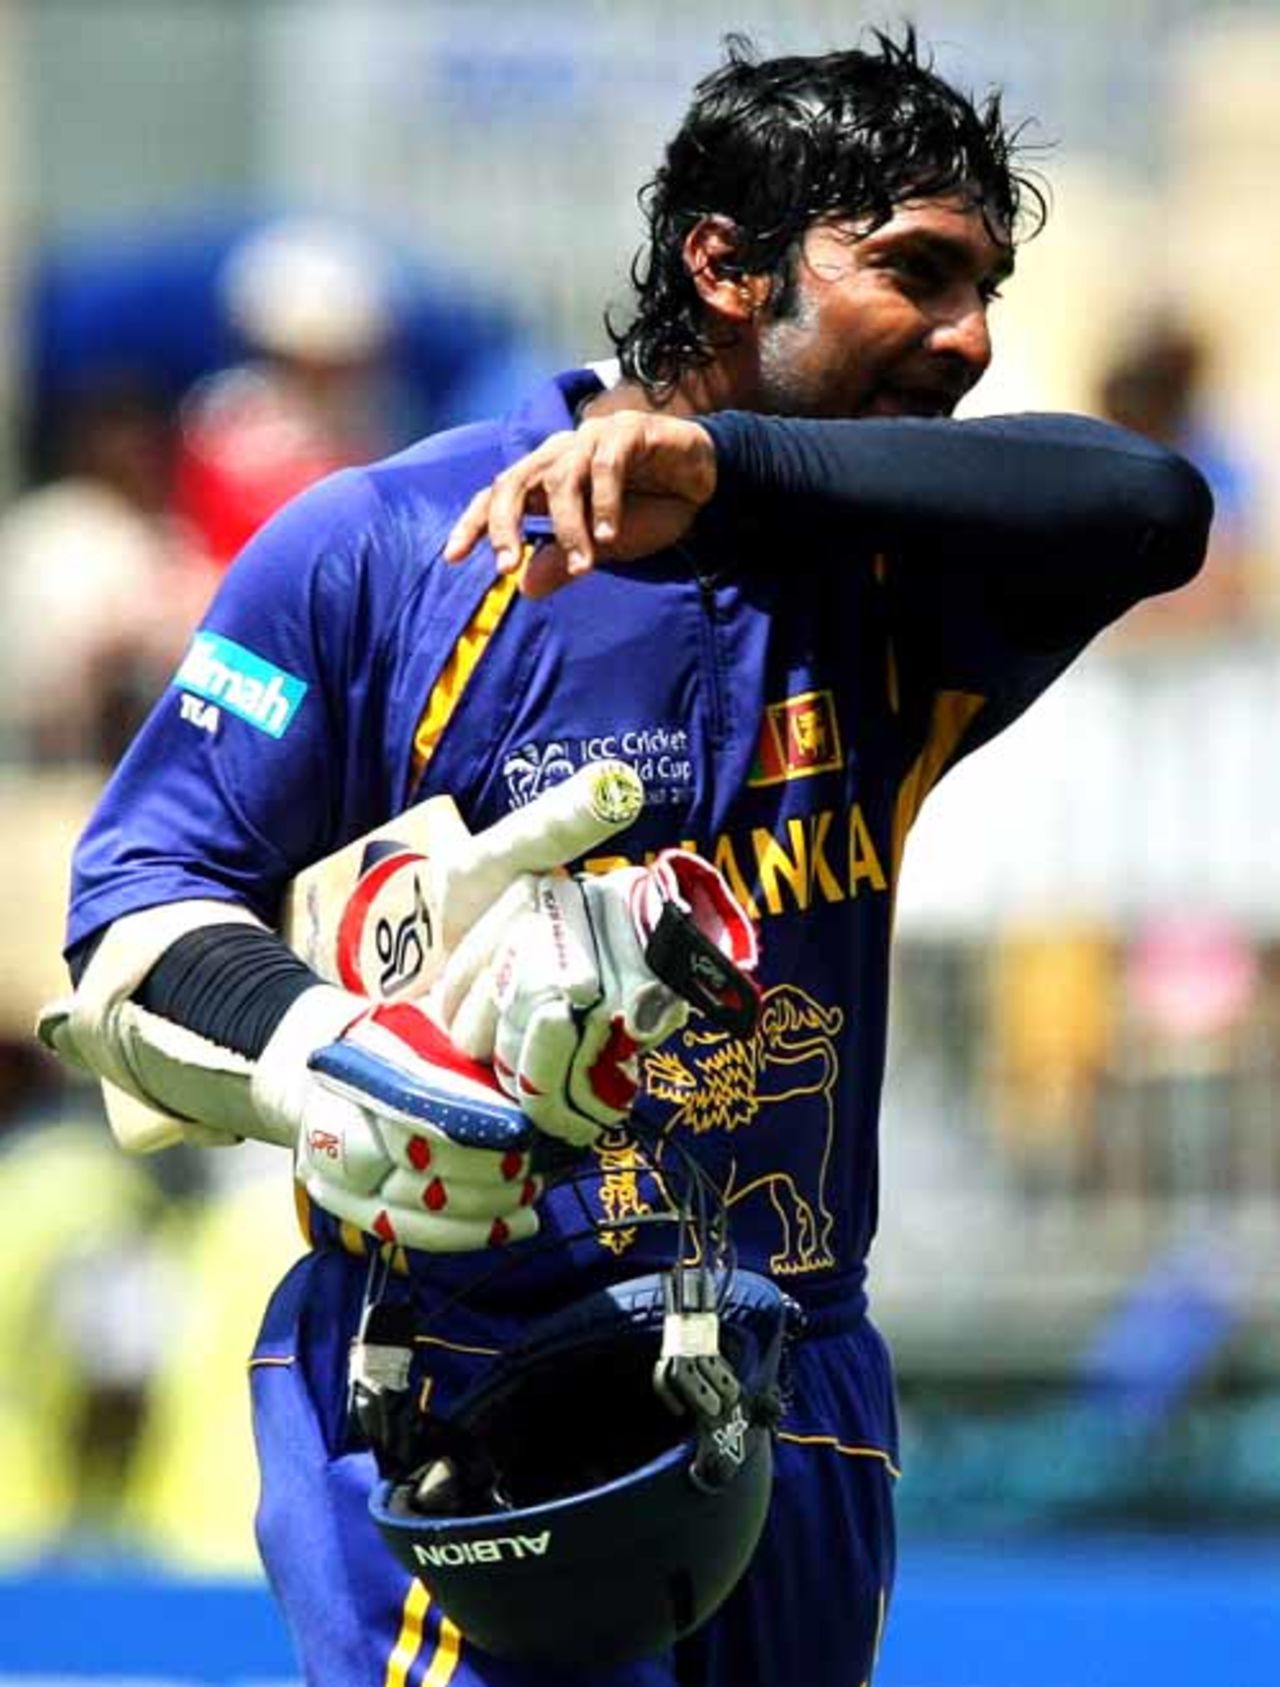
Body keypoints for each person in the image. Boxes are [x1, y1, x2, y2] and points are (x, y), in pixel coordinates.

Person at [42, 29, 1211, 1687]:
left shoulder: (897, 562)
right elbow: (135, 906)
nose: (969, 335)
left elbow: (1151, 501)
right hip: (464, 1377)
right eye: (913, 272)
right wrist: (342, 1064)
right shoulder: (389, 544)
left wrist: (724, 468)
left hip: (795, 1372)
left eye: (984, 287)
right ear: (723, 266)